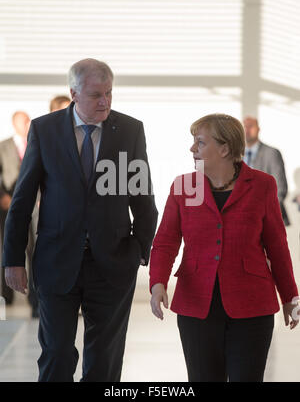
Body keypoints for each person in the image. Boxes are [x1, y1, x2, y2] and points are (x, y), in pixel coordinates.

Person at [2, 58, 158, 382]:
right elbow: (22, 200)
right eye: (96, 95)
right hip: (56, 260)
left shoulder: (130, 130)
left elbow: (143, 196)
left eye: (109, 94)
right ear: (73, 92)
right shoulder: (45, 130)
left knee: (104, 361)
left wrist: (140, 250)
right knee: (57, 354)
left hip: (114, 263)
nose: (105, 102)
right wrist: (13, 259)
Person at [149, 113, 299, 382]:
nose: (192, 148)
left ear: (225, 148)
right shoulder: (184, 186)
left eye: (200, 142)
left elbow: (277, 246)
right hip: (196, 307)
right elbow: (165, 242)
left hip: (252, 307)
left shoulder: (263, 185)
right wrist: (157, 282)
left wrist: (290, 297)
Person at [0, 111, 39, 317]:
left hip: (34, 206)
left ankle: (34, 299)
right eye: (23, 121)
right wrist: (2, 196)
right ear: (14, 123)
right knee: (8, 248)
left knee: (35, 250)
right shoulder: (3, 146)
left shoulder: (37, 141)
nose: (27, 123)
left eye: (28, 120)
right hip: (9, 205)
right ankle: (6, 295)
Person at [243, 116, 290, 226]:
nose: (247, 130)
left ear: (258, 129)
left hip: (267, 218)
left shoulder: (272, 153)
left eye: (250, 126)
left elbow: (280, 188)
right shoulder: (235, 154)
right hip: (242, 218)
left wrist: (265, 214)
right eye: (244, 127)